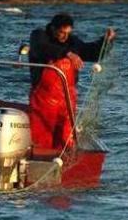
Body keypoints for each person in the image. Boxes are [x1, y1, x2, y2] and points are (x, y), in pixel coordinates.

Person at [28, 13, 115, 150]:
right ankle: (40, 160)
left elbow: (91, 53)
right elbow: (41, 49)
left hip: (68, 101)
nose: (64, 36)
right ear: (52, 28)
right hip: (43, 100)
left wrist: (105, 42)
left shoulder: (72, 42)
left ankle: (65, 164)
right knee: (42, 136)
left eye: (68, 33)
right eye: (61, 32)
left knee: (66, 138)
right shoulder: (39, 36)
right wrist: (68, 54)